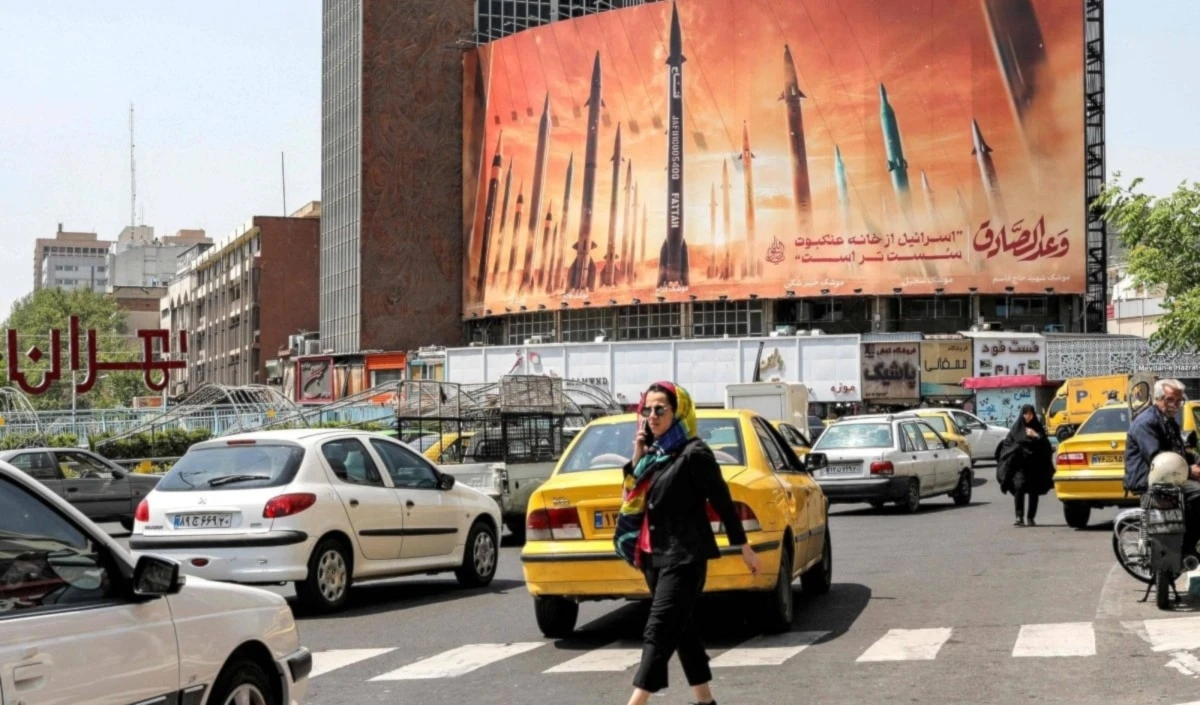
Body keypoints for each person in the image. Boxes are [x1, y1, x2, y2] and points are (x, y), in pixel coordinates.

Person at [614, 381, 761, 705]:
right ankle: (705, 700)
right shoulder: (652, 456)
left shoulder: (694, 453)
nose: (652, 416)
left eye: (660, 409)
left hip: (684, 558)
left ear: (678, 412)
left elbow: (722, 500)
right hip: (652, 558)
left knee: (658, 630)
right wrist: (637, 454)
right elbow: (630, 494)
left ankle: (636, 702)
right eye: (647, 410)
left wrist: (744, 547)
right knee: (682, 629)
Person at [1125, 379, 1200, 556]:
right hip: (1150, 479)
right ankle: (1186, 549)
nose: (1175, 405)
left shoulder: (1169, 421)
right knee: (1198, 495)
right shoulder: (1147, 423)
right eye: (1170, 399)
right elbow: (1157, 459)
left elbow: (1179, 452)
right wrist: (1189, 471)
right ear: (1158, 399)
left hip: (1168, 476)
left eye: (1179, 401)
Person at [996, 404, 1055, 526]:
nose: (1028, 416)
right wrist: (1017, 449)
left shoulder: (1037, 428)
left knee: (1034, 491)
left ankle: (1031, 518)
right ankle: (1019, 517)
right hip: (1020, 465)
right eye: (1026, 414)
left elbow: (1046, 446)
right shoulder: (1016, 429)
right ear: (1022, 415)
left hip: (1035, 465)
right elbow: (1007, 446)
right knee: (1019, 487)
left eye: (1030, 414)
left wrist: (1035, 435)